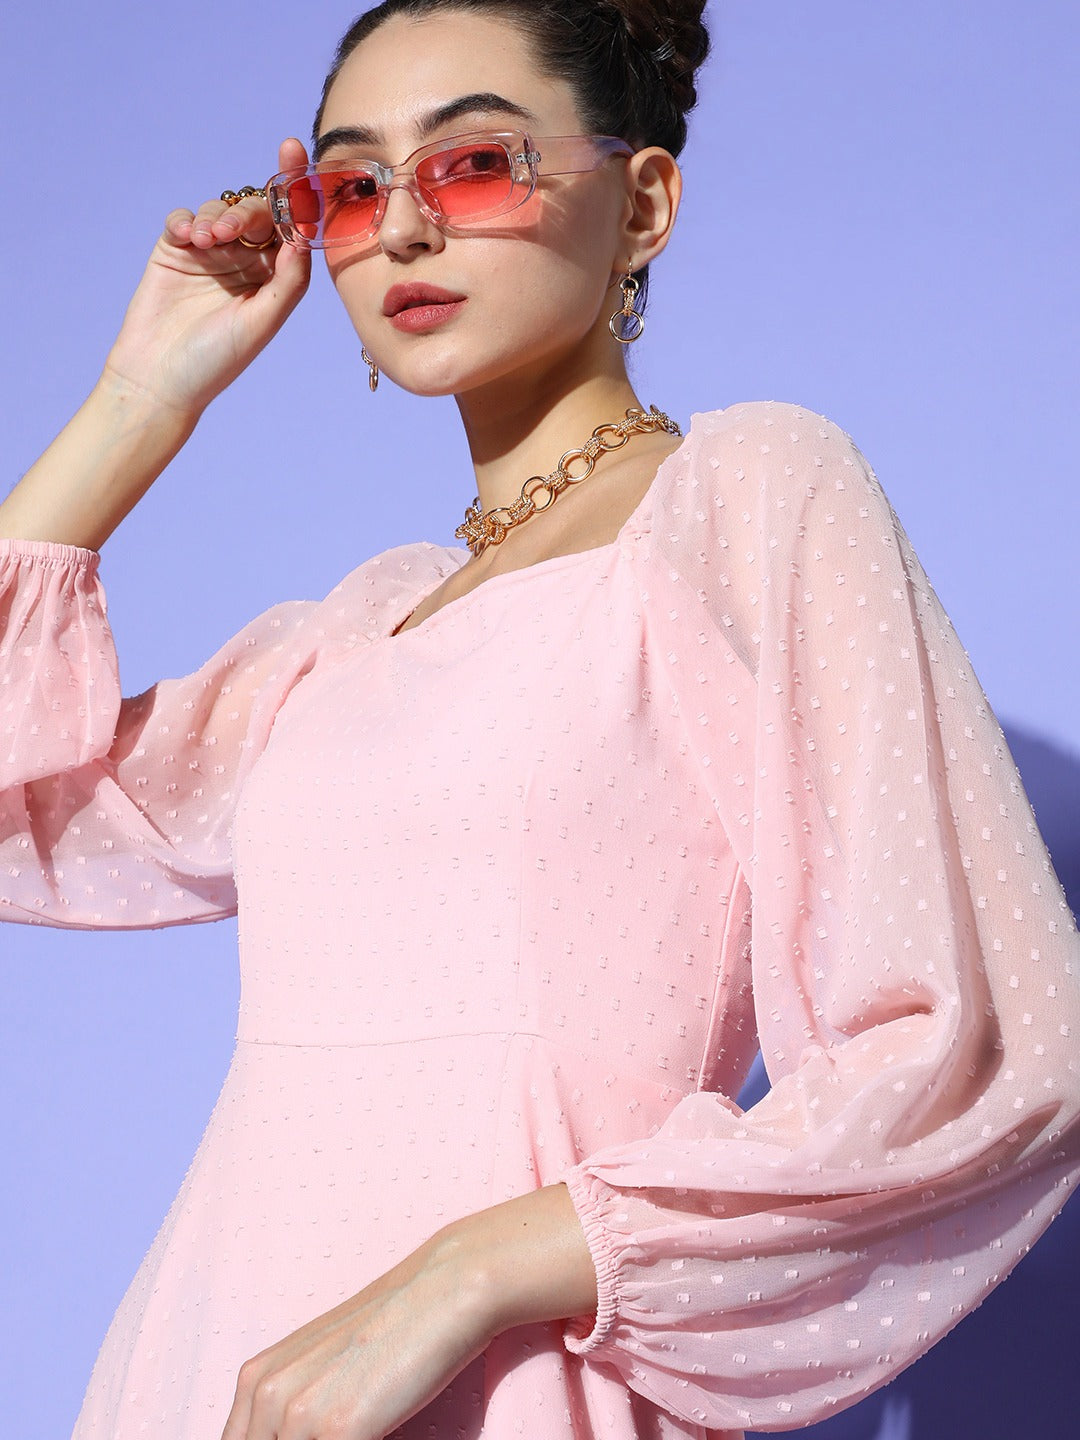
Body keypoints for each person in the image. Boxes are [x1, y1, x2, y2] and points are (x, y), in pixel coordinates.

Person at [1, 2, 1078, 1439]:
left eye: (474, 164)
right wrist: (139, 398)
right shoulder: (352, 637)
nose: (403, 228)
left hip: (511, 1368)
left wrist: (469, 1273)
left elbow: (980, 1054)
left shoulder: (744, 501)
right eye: (351, 186)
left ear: (643, 205)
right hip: (213, 1363)